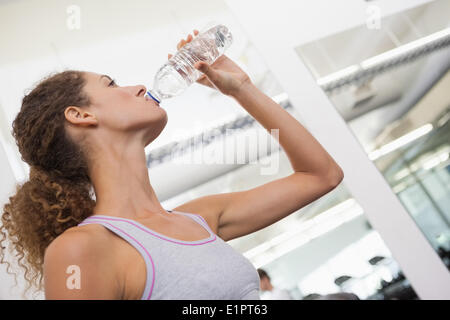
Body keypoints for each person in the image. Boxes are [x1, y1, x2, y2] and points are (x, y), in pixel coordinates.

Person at [0, 29, 343, 300]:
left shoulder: (200, 218)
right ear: (81, 115)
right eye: (111, 83)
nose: (138, 87)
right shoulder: (79, 250)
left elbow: (322, 175)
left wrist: (242, 89)